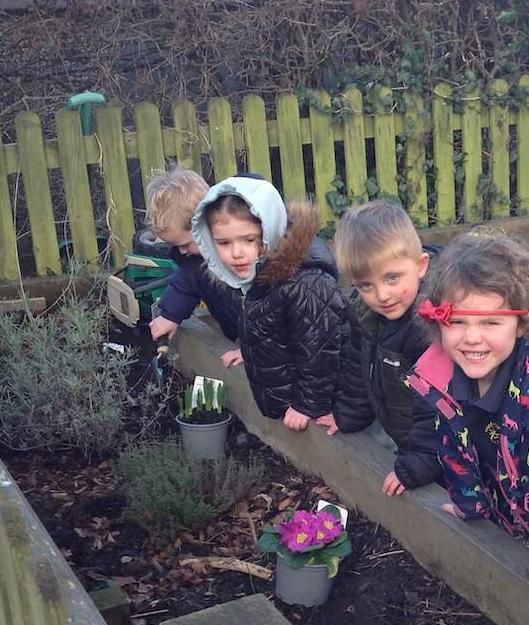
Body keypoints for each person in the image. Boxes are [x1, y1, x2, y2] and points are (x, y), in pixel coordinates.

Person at [407, 231, 529, 594]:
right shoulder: (443, 375)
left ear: (522, 324)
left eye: (490, 323)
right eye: (458, 321)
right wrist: (468, 502)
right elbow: (454, 442)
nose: (472, 338)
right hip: (518, 504)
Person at [192, 176, 345, 430]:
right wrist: (252, 351)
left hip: (331, 404)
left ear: (269, 231)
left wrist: (307, 405)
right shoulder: (252, 276)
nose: (237, 252)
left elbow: (320, 349)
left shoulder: (304, 283)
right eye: (224, 243)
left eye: (249, 240)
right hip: (289, 400)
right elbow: (269, 326)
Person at [315, 201, 443, 493]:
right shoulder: (366, 315)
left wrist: (419, 462)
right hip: (406, 437)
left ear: (421, 266)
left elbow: (437, 407)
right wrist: (347, 415)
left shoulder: (429, 328)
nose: (381, 295)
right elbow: (359, 368)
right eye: (365, 285)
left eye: (392, 278)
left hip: (439, 452)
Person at [143, 167, 243, 367]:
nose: (182, 252)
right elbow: (187, 280)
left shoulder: (240, 255)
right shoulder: (197, 256)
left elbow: (262, 307)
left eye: (185, 244)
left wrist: (254, 348)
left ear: (203, 225)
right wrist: (171, 315)